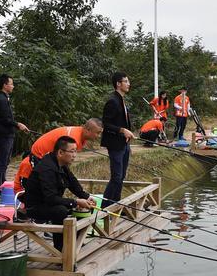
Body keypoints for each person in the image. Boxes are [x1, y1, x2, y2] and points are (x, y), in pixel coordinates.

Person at [24, 136, 95, 251]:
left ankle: (75, 243)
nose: (74, 155)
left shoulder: (61, 164)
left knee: (79, 208)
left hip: (50, 203)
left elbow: (73, 183)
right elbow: (51, 198)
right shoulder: (47, 168)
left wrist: (87, 197)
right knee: (61, 210)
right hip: (35, 207)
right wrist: (75, 201)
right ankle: (60, 249)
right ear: (60, 152)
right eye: (72, 151)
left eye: (76, 151)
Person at [14, 119, 103, 194]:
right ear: (87, 130)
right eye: (97, 133)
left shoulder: (80, 134)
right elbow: (65, 166)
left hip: (49, 157)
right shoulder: (74, 138)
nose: (99, 136)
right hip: (39, 155)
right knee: (47, 187)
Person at [0, 74, 29, 196]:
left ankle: (3, 183)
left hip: (8, 133)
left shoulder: (5, 98)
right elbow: (5, 119)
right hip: (4, 134)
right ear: (5, 85)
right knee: (2, 161)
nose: (13, 86)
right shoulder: (1, 100)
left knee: (6, 160)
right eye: (11, 83)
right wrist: (18, 124)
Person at [101, 72, 135, 208]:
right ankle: (104, 208)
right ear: (118, 84)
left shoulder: (121, 100)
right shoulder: (112, 101)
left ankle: (115, 205)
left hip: (124, 144)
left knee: (121, 177)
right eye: (126, 81)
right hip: (115, 145)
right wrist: (122, 130)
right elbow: (106, 124)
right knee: (116, 177)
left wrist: (126, 134)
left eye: (128, 81)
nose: (128, 84)